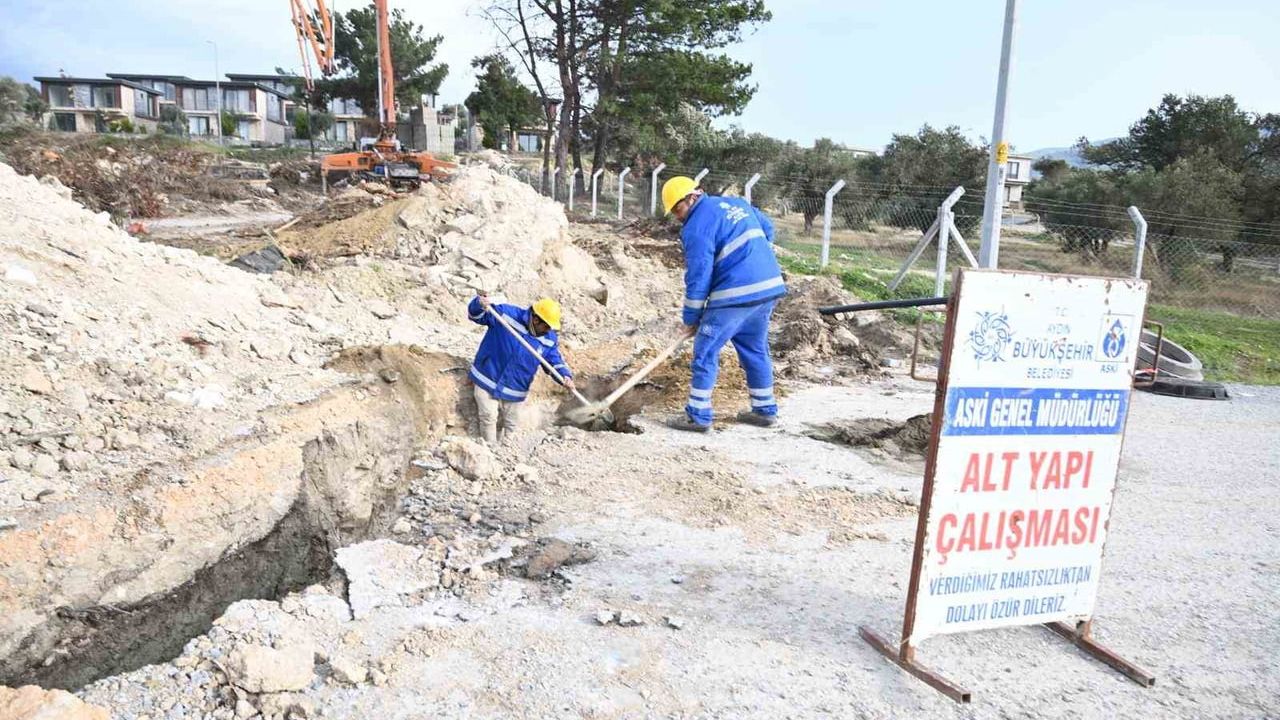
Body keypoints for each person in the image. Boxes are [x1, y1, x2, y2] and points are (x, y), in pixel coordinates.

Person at [661, 176, 786, 433]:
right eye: (672, 211)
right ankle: (765, 410)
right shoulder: (736, 203)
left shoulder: (695, 228)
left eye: (678, 208)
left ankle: (697, 416)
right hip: (768, 287)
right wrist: (752, 257)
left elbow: (699, 276)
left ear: (693, 196)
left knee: (705, 350)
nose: (676, 216)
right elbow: (768, 229)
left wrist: (691, 318)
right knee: (755, 348)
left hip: (736, 293)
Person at [466, 293, 575, 443]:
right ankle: (490, 450)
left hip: (515, 387)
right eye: (546, 326)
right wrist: (479, 304)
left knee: (511, 424)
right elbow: (475, 316)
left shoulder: (549, 339)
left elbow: (553, 360)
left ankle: (507, 451)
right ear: (536, 319)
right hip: (487, 376)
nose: (548, 330)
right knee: (488, 417)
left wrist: (564, 375)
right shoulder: (506, 315)